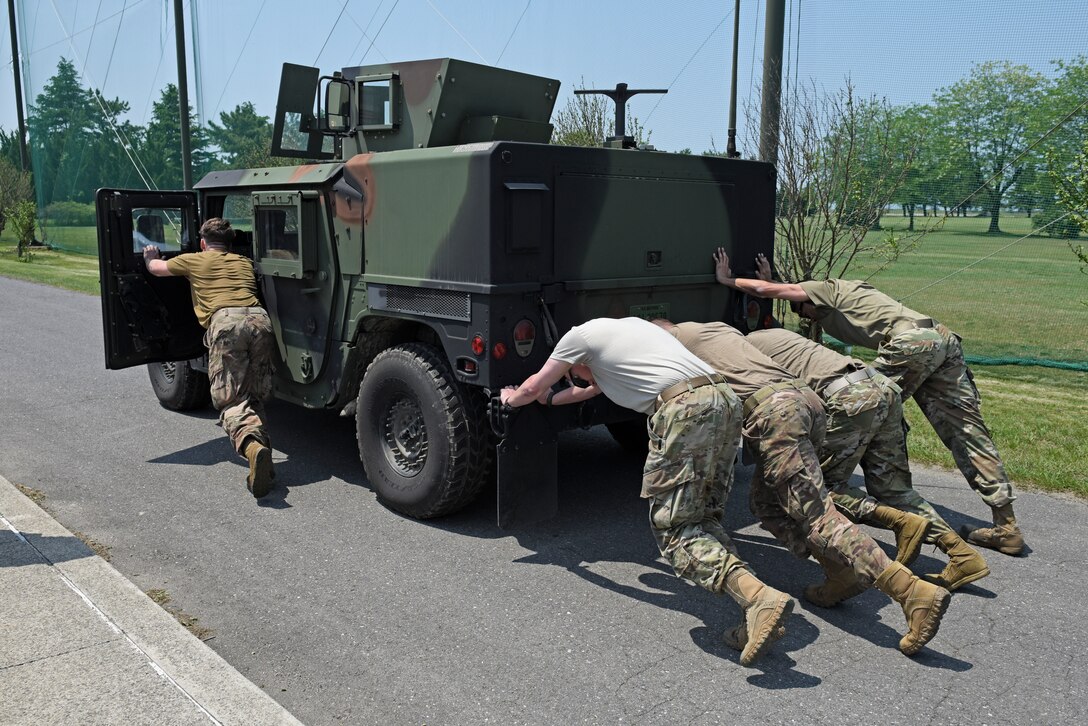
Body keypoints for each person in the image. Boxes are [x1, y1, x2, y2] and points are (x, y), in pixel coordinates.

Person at [499, 317, 793, 667]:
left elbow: (533, 387)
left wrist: (510, 400)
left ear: (573, 360)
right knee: (703, 520)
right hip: (724, 399)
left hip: (684, 409)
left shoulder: (576, 337)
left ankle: (760, 598)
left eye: (575, 373)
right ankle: (753, 608)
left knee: (675, 530)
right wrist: (550, 400)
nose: (581, 379)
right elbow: (586, 390)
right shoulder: (630, 332)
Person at [659, 320, 951, 657]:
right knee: (766, 503)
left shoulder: (676, 341)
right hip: (807, 402)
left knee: (816, 515)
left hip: (775, 412)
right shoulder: (717, 329)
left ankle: (911, 592)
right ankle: (840, 570)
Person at [714, 248, 1024, 557]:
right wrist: (774, 282)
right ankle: (1005, 525)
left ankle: (872, 496)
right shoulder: (850, 291)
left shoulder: (826, 289)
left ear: (809, 299)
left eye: (803, 311)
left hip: (911, 344)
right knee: (965, 432)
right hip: (941, 339)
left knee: (866, 402)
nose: (805, 317)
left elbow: (776, 291)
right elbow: (785, 291)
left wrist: (728, 279)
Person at [747, 326, 990, 595]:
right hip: (881, 387)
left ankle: (897, 524)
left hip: (848, 398)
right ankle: (961, 554)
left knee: (818, 491)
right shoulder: (776, 334)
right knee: (894, 488)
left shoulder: (744, 351)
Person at [143, 218, 277, 499]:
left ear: (203, 243)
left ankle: (253, 448)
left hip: (227, 325)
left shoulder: (194, 260)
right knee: (254, 394)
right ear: (229, 243)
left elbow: (156, 270)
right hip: (261, 322)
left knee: (230, 400)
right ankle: (264, 460)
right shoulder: (243, 261)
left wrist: (150, 256)